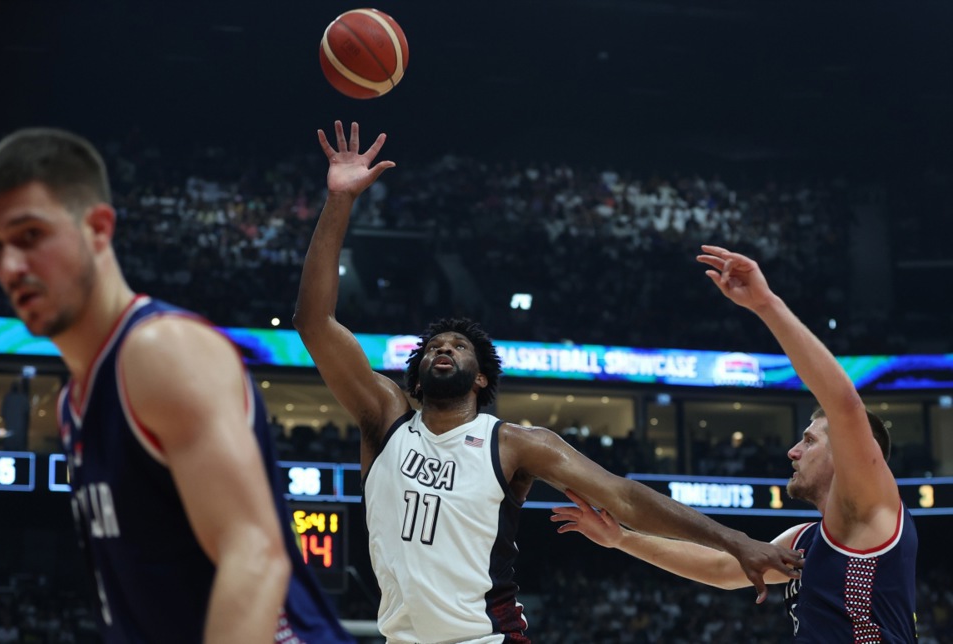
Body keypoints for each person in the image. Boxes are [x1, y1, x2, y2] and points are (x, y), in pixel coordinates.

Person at [293, 122, 803, 643]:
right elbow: (315, 323)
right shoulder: (385, 417)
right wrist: (339, 201)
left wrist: (735, 539)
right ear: (417, 376)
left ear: (481, 378)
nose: (443, 348)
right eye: (434, 346)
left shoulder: (514, 444)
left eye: (458, 345)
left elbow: (623, 497)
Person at [0, 128, 354, 644]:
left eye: (30, 235)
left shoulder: (160, 353)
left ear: (99, 228)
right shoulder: (72, 403)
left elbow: (255, 555)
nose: (10, 266)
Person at [552, 245, 918, 642]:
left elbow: (845, 405)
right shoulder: (804, 540)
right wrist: (622, 539)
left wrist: (766, 304)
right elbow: (721, 571)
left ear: (852, 454)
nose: (793, 452)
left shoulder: (872, 507)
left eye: (809, 441)